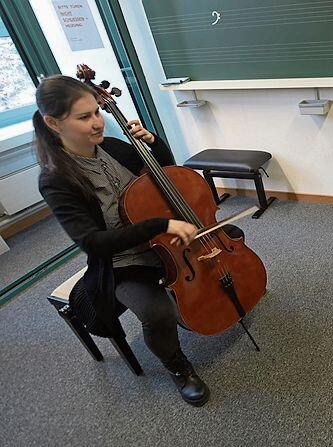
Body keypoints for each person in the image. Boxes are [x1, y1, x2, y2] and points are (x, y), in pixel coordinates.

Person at [35, 75, 241, 406]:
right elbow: (93, 243)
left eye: (97, 113)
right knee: (156, 311)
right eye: (84, 117)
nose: (96, 123)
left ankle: (229, 299)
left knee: (231, 237)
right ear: (53, 123)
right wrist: (159, 224)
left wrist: (154, 144)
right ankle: (179, 368)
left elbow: (168, 176)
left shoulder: (113, 148)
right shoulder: (56, 180)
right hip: (122, 261)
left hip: (166, 241)